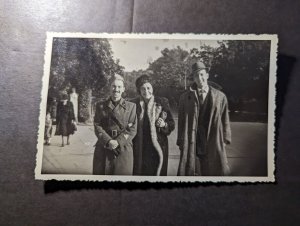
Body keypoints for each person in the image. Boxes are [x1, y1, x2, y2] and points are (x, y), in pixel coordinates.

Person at [177, 61, 231, 176]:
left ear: (207, 75)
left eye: (202, 74)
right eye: (196, 75)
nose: (199, 78)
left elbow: (225, 119)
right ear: (193, 78)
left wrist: (225, 139)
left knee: (215, 171)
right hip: (193, 140)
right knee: (192, 171)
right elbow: (181, 121)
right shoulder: (185, 98)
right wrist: (181, 141)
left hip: (213, 138)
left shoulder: (220, 96)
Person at [93, 74, 137, 175]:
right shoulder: (101, 106)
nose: (116, 89)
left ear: (123, 89)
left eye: (119, 87)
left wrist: (117, 142)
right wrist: (108, 141)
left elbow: (132, 129)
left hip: (123, 148)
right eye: (113, 86)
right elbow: (97, 125)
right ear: (110, 88)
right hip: (104, 147)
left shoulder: (131, 107)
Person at [132, 74, 175, 176]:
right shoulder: (134, 104)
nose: (146, 91)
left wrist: (164, 124)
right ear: (139, 90)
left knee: (158, 173)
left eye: (148, 88)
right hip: (140, 146)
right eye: (143, 89)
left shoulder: (162, 102)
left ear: (152, 88)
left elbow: (171, 123)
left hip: (159, 145)